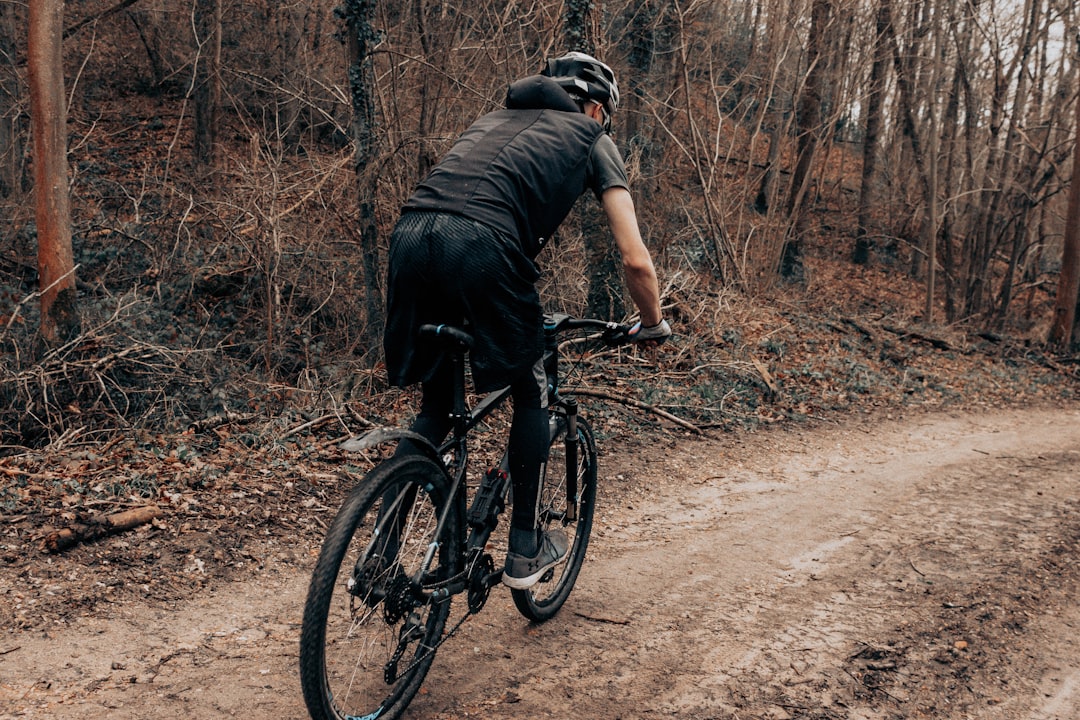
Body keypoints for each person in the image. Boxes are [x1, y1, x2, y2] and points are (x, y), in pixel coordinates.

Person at [383, 51, 671, 589]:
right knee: (531, 390)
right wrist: (652, 321)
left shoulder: (490, 123)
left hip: (410, 236)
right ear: (593, 107)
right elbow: (635, 259)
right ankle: (524, 549)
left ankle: (379, 549)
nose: (602, 124)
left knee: (437, 405)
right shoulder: (590, 139)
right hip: (482, 245)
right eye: (604, 115)